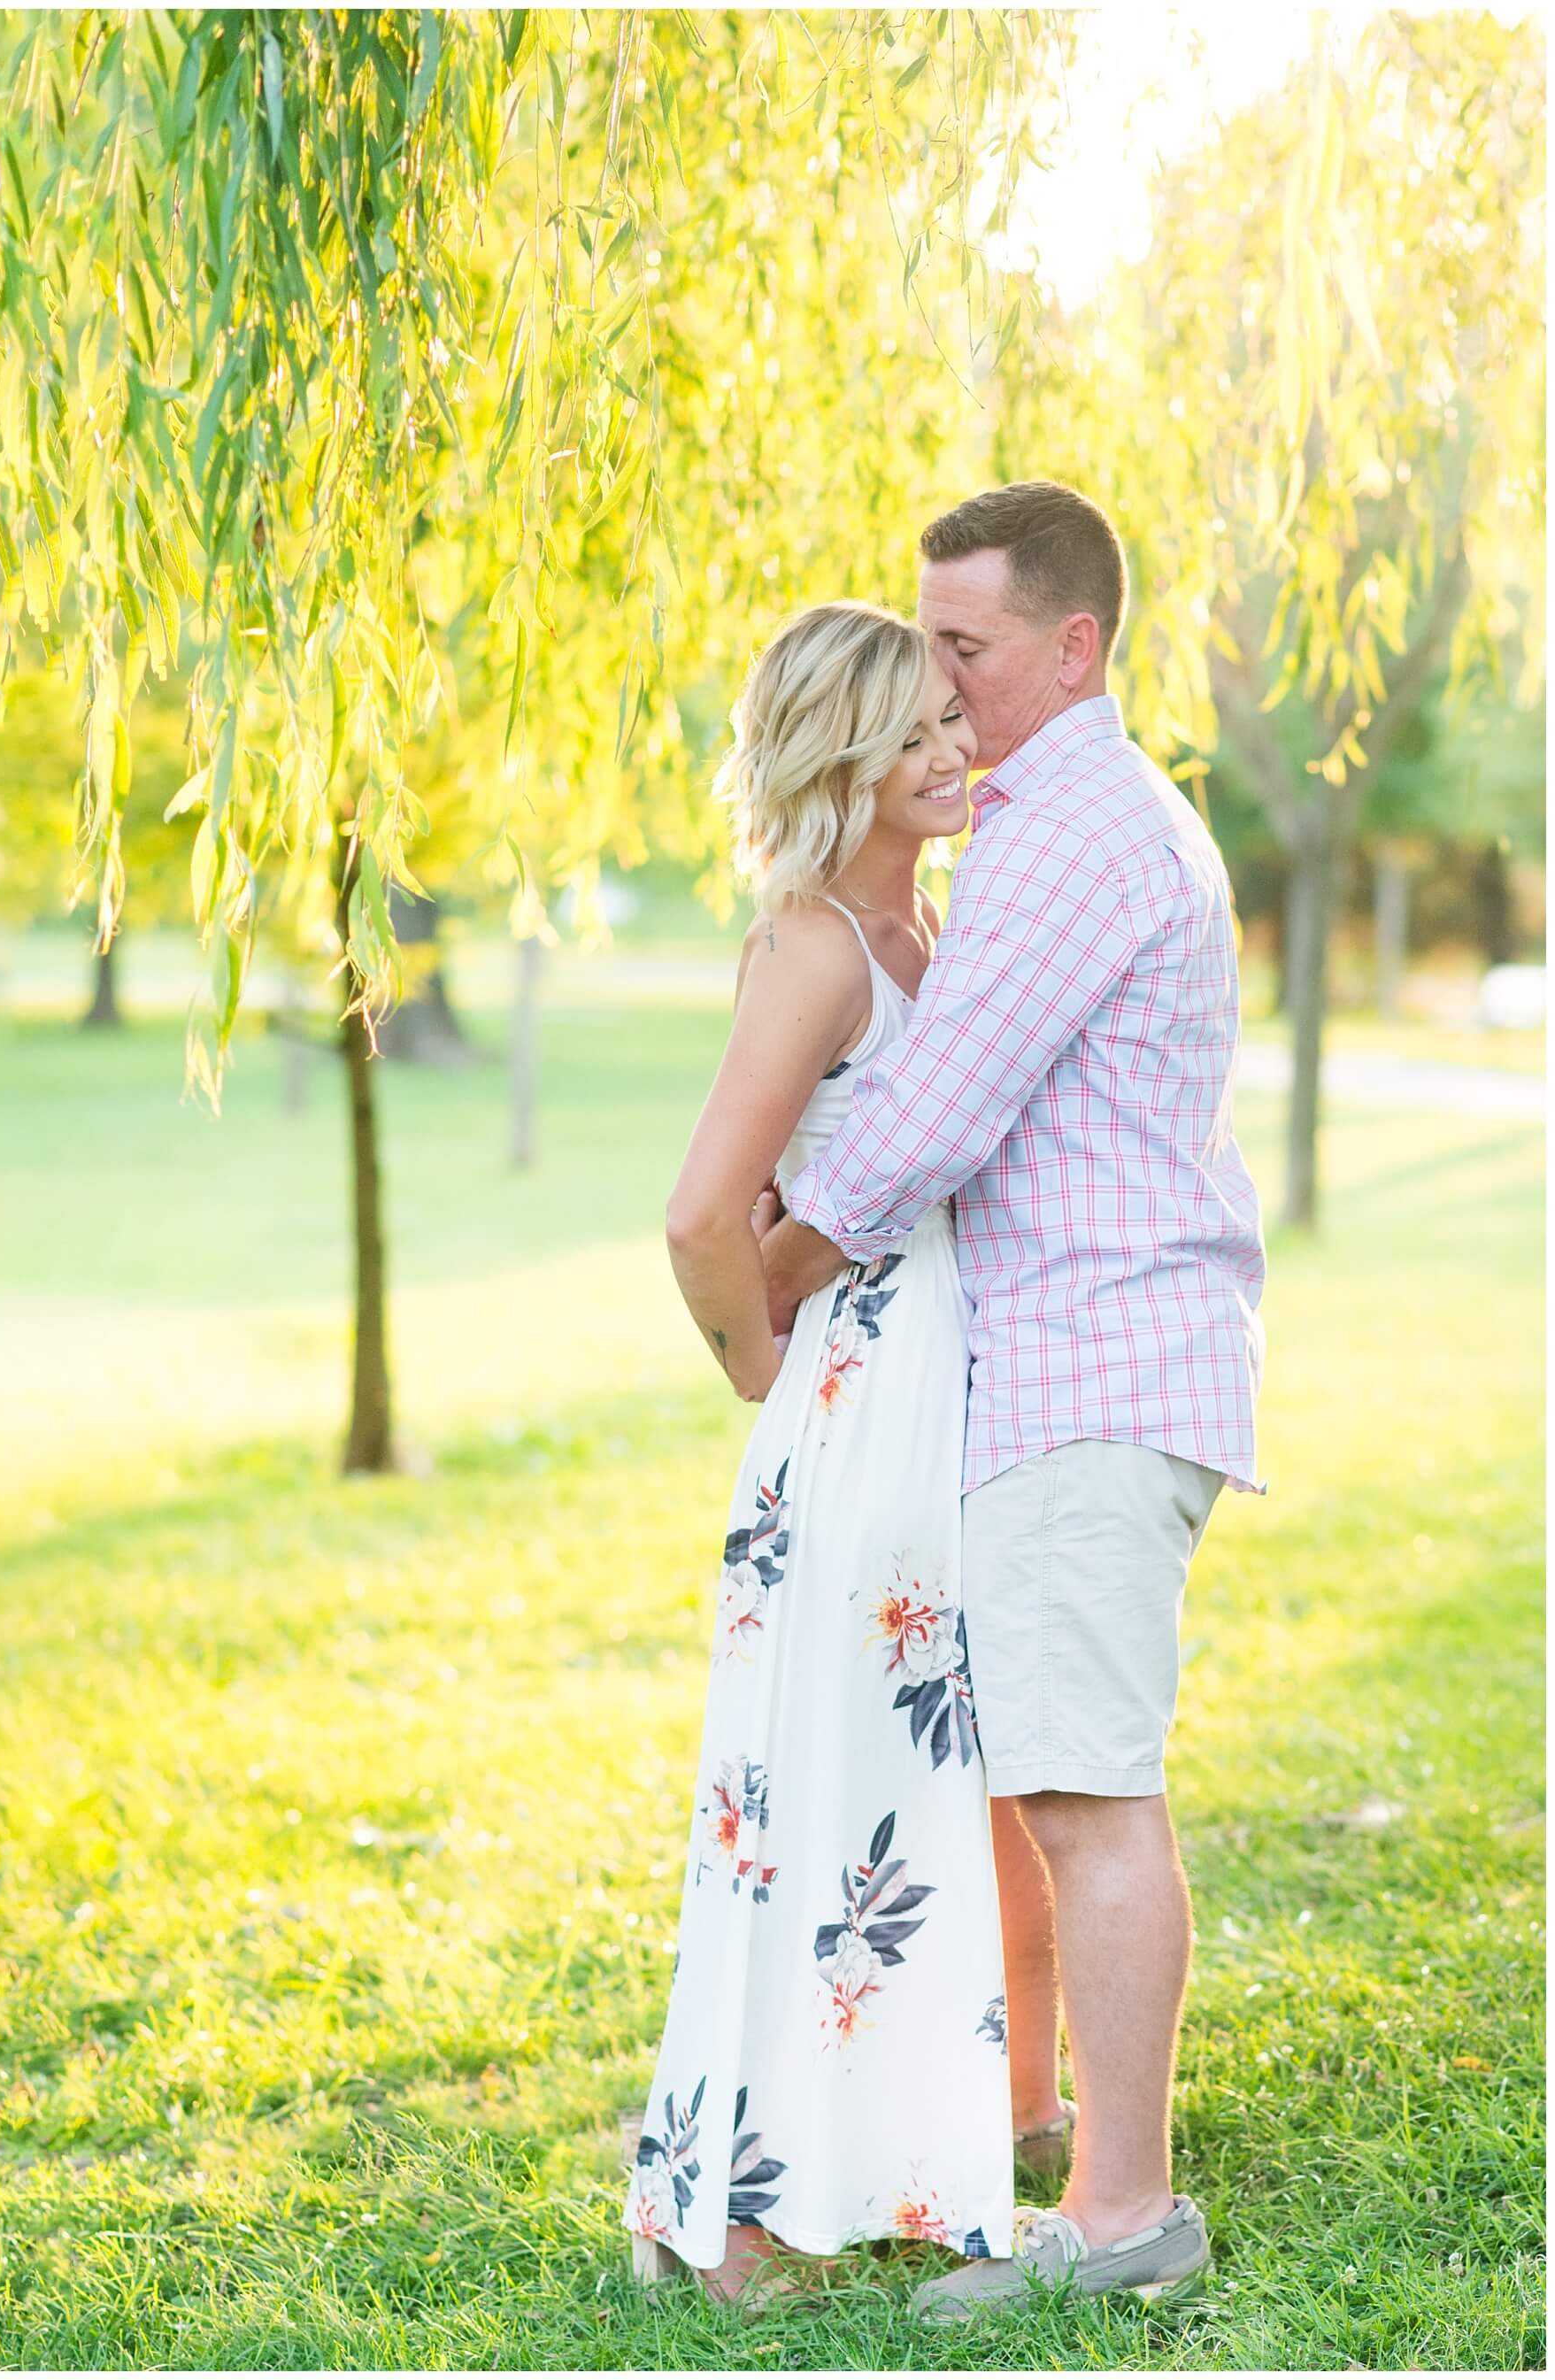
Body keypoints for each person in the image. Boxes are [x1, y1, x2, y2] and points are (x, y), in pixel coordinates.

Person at [761, 481, 1267, 2316]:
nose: (940, 690)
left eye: (963, 652)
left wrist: (775, 1249)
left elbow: (940, 1106)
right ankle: (1035, 2118)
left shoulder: (1070, 836)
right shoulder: (1067, 820)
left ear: (1074, 645)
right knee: (1036, 1784)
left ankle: (1124, 2217)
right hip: (1070, 1369)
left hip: (1091, 1368)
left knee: (1086, 1794)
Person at [621, 602, 1017, 2307]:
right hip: (855, 1406)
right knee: (810, 1787)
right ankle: (727, 2213)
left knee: (900, 1789)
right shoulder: (812, 947)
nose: (951, 750)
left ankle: (875, 2158)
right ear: (839, 751)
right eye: (916, 729)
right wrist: (764, 1363)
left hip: (952, 1399)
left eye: (954, 718)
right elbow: (709, 1209)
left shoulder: (924, 928)